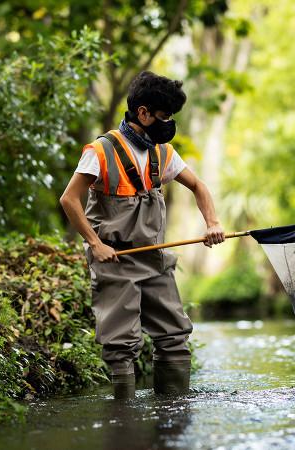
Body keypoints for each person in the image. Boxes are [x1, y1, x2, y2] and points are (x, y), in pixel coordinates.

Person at [60, 71, 225, 398]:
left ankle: (173, 414)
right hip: (115, 260)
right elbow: (69, 199)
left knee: (175, 337)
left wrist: (212, 223)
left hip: (154, 258)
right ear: (143, 113)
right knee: (121, 345)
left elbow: (198, 186)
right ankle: (124, 423)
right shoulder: (101, 150)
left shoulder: (163, 153)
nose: (169, 124)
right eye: (164, 116)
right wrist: (95, 244)